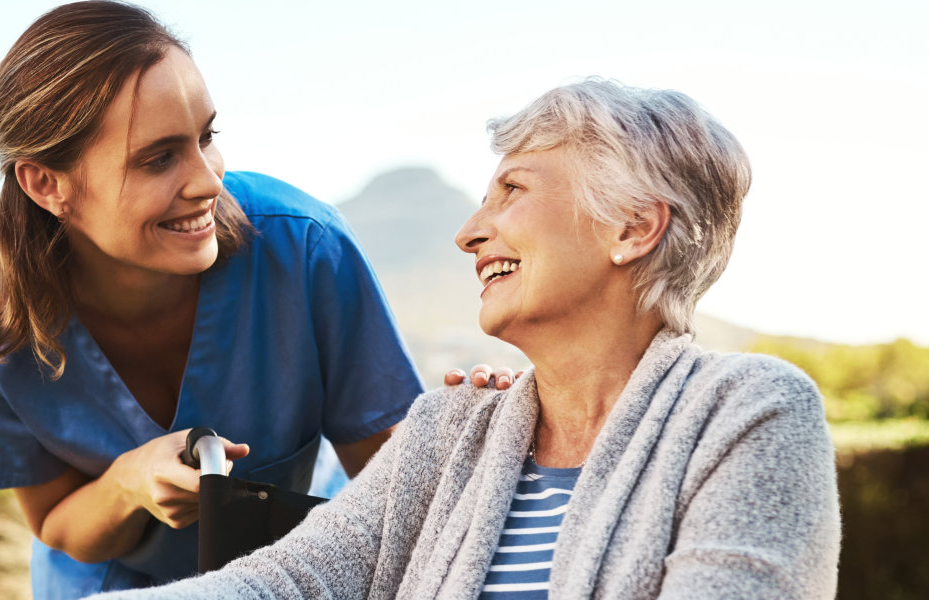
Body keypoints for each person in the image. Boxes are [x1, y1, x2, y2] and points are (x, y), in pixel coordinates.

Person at [94, 79, 843, 599]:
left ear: (633, 227)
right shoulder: (454, 428)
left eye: (512, 190)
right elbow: (290, 581)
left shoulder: (752, 411)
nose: (468, 232)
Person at [0, 2, 477, 597]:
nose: (209, 181)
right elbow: (57, 524)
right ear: (46, 184)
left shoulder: (306, 247)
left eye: (207, 137)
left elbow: (395, 490)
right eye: (158, 158)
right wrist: (128, 483)